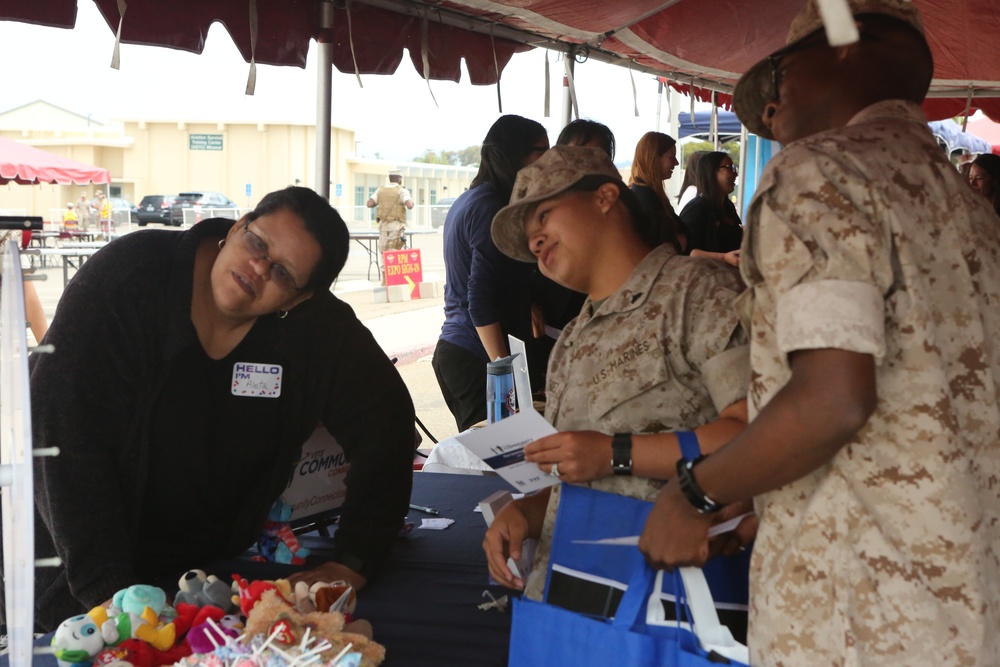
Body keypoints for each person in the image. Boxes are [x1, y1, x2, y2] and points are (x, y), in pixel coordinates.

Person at [639, 1, 1000, 665]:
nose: (772, 117)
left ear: (841, 46)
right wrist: (764, 489)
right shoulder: (968, 208)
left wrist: (695, 491)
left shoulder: (820, 171)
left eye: (776, 86)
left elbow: (833, 399)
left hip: (858, 623)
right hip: (966, 610)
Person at [15, 186, 416, 631]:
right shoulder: (131, 277)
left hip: (202, 575)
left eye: (282, 273)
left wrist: (355, 558)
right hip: (70, 573)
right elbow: (62, 434)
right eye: (257, 242)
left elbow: (387, 421)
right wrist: (112, 596)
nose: (258, 267)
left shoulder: (316, 330)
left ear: (301, 299)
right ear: (239, 224)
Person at [482, 145, 750, 604]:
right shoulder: (570, 338)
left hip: (672, 600)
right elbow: (576, 475)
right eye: (530, 239)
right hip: (571, 601)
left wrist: (616, 453)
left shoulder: (697, 292)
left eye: (545, 215)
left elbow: (756, 436)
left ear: (606, 197)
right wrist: (525, 514)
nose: (536, 241)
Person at [433, 114, 549, 431]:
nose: (549, 162)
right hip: (474, 354)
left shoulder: (474, 198)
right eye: (544, 152)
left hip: (468, 352)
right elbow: (479, 301)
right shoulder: (490, 208)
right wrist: (506, 378)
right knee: (500, 466)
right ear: (516, 154)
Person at [679, 151, 743, 265]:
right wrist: (724, 258)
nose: (735, 174)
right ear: (711, 173)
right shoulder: (696, 209)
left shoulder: (727, 206)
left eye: (734, 168)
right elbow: (688, 253)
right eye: (729, 168)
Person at [628, 131, 684, 251]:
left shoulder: (651, 194)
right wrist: (678, 243)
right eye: (671, 157)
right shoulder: (645, 198)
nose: (676, 163)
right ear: (653, 158)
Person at [366, 171, 414, 258]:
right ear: (399, 179)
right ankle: (392, 271)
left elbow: (369, 204)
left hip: (383, 226)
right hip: (396, 226)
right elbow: (409, 205)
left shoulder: (380, 190)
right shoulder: (402, 190)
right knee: (394, 252)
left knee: (383, 251)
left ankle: (384, 271)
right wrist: (411, 201)